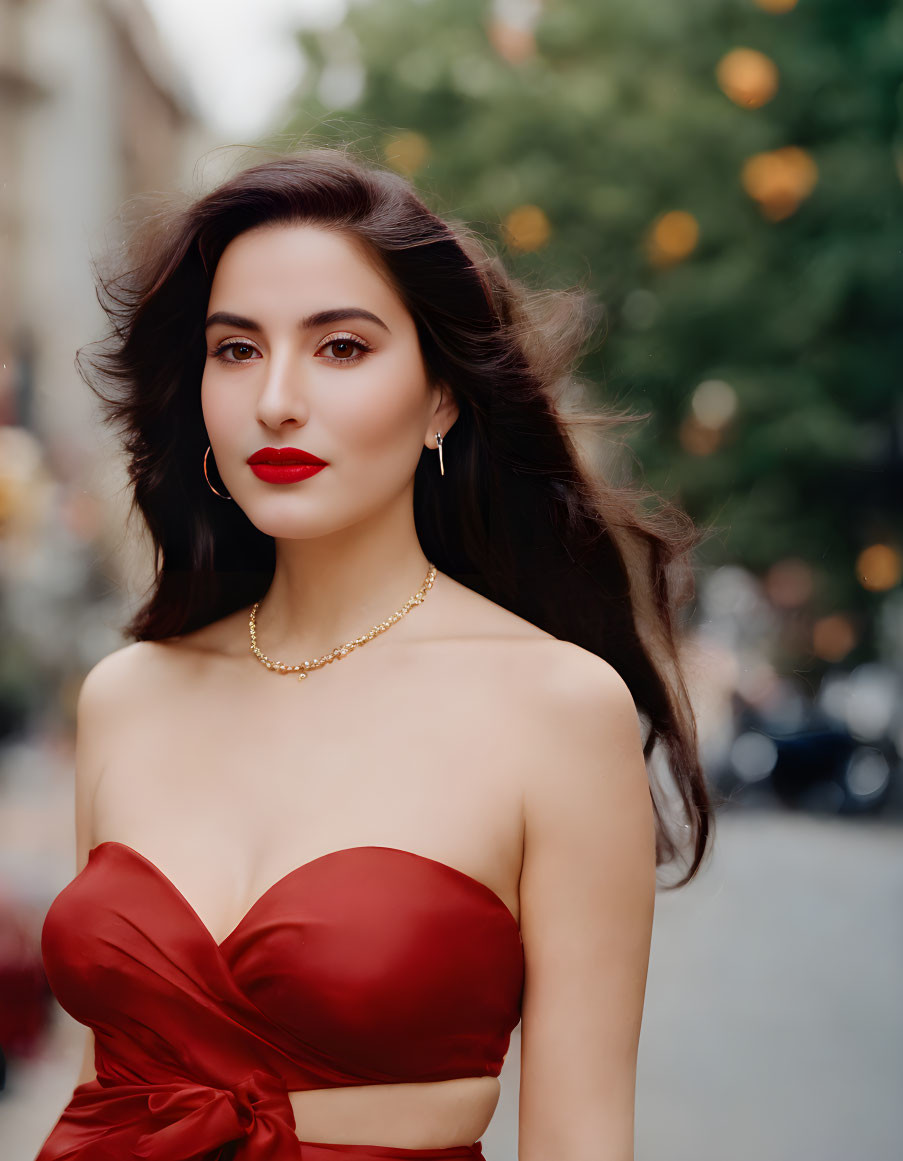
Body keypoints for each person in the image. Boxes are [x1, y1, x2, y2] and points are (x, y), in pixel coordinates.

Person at [35, 146, 713, 1161]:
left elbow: (579, 1139)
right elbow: (108, 1093)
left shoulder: (558, 708)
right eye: (237, 349)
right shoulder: (127, 696)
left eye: (341, 348)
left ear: (442, 397)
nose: (277, 400)